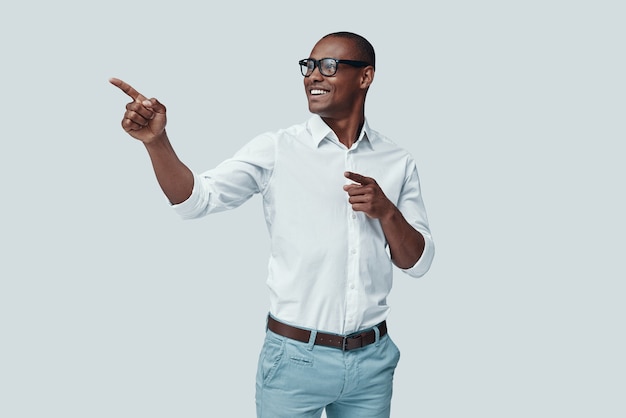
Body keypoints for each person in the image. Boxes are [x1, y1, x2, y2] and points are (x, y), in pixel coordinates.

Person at [111, 31, 434, 418]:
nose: (314, 76)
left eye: (329, 66)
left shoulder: (397, 160)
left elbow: (418, 263)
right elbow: (196, 201)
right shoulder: (279, 149)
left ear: (365, 77)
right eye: (309, 66)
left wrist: (387, 212)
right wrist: (156, 142)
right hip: (295, 361)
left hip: (373, 361)